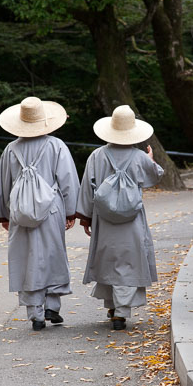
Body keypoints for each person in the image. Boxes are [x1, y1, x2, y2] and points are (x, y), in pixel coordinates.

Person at [0, 96, 80, 331]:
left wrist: (4, 215)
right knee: (52, 253)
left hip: (20, 211)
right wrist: (71, 211)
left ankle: (35, 313)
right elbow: (68, 180)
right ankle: (53, 305)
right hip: (51, 209)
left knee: (27, 257)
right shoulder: (56, 145)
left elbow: (4, 185)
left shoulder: (11, 149)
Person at [75, 105, 164, 330]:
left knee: (109, 260)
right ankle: (122, 312)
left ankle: (113, 305)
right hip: (132, 220)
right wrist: (150, 159)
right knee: (129, 261)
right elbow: (156, 175)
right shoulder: (138, 157)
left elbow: (87, 187)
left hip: (104, 219)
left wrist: (86, 218)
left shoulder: (97, 155)